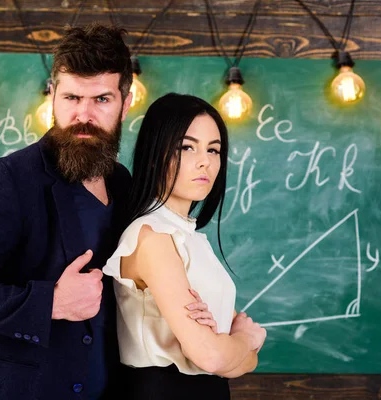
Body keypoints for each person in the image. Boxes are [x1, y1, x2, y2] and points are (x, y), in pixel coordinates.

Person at [0, 24, 217, 400]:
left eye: (101, 100)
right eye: (71, 98)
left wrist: (192, 313)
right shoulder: (9, 180)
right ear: (53, 96)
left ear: (125, 103)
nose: (84, 114)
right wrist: (50, 302)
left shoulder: (125, 184)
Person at [103, 93, 268, 399]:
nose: (204, 161)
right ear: (155, 154)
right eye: (187, 147)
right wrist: (244, 340)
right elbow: (215, 357)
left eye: (214, 150)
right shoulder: (152, 237)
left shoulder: (191, 238)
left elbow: (243, 362)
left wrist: (232, 347)